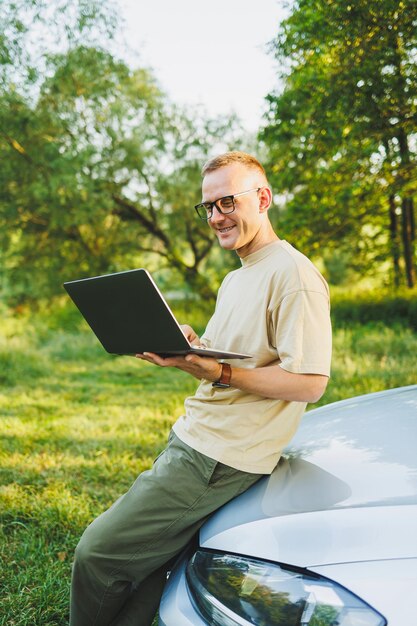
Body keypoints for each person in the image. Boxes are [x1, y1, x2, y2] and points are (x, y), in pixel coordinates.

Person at [70, 151, 332, 626]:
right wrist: (195, 347)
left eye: (227, 202)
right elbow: (240, 354)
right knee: (151, 567)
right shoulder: (238, 276)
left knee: (97, 555)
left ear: (263, 198)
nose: (216, 217)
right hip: (197, 437)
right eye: (208, 207)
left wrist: (221, 374)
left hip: (220, 456)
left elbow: (310, 382)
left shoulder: (294, 276)